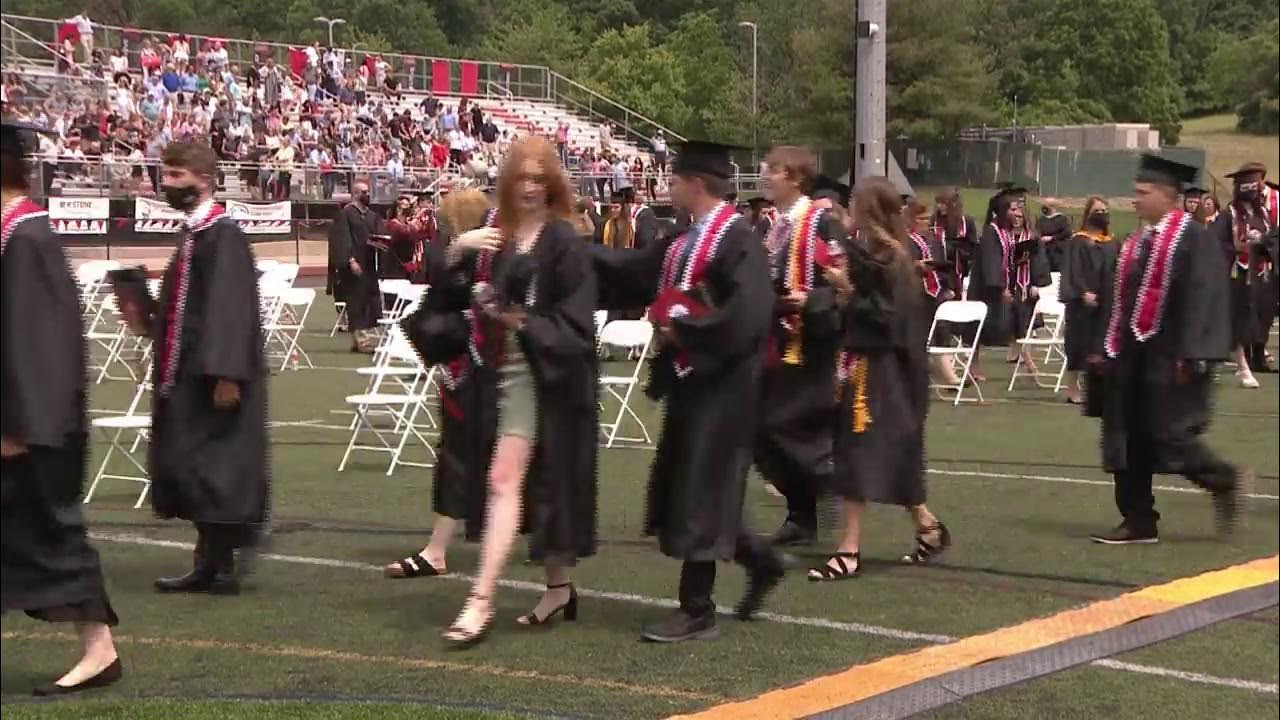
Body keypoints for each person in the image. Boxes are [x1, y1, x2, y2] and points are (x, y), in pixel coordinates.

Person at [589, 140, 784, 642]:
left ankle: (697, 608)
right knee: (700, 483)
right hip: (690, 381)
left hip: (725, 385)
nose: (668, 186)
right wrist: (570, 248)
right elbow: (634, 272)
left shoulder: (737, 240)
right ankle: (760, 560)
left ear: (696, 184)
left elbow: (748, 314)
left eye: (674, 180)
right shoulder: (682, 239)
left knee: (702, 485)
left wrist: (685, 330)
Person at [429, 137, 599, 646]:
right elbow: (447, 293)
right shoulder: (495, 236)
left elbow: (576, 326)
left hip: (546, 377)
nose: (529, 187)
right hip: (495, 374)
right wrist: (459, 249)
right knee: (526, 483)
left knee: (511, 480)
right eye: (521, 177)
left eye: (538, 178)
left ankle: (480, 599)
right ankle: (558, 589)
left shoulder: (563, 241)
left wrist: (515, 319)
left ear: (552, 184)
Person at [1, 120, 123, 696]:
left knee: (53, 536)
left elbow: (38, 342)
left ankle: (100, 651)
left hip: (31, 427)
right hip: (22, 420)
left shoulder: (27, 238)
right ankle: (99, 649)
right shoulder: (14, 233)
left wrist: (19, 426)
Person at [117, 141, 269, 593]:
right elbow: (186, 309)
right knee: (193, 465)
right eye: (164, 175)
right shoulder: (194, 235)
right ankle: (208, 560)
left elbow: (230, 308)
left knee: (217, 469)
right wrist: (143, 313)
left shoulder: (224, 235)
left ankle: (222, 565)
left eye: (176, 176)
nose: (167, 184)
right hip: (186, 374)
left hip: (213, 376)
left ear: (203, 179)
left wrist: (227, 374)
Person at [1090, 154, 1242, 545]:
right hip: (1130, 356)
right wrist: (1102, 347)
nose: (1135, 199)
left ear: (1167, 195)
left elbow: (1205, 297)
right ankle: (1138, 519)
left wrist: (1192, 353)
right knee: (1125, 437)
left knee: (1168, 437)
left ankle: (1221, 478)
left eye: (1144, 192)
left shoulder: (1195, 239)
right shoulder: (1136, 242)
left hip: (1170, 356)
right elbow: (1118, 298)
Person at [809, 178, 950, 581]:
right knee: (883, 452)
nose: (849, 207)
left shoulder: (893, 259)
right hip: (866, 364)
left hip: (883, 371)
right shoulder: (874, 253)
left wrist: (847, 291)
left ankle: (849, 549)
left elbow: (887, 321)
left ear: (868, 209)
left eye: (855, 202)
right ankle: (928, 527)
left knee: (858, 450)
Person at [394, 190, 499, 580]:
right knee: (460, 455)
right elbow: (440, 295)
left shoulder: (486, 251)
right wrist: (456, 252)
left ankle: (441, 549)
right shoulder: (465, 253)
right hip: (471, 367)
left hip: (486, 368)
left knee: (466, 456)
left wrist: (457, 252)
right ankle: (439, 548)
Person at [755, 146, 845, 547]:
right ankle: (800, 514)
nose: (765, 175)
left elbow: (844, 282)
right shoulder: (775, 224)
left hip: (813, 339)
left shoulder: (822, 221)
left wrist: (812, 302)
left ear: (793, 177)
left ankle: (828, 486)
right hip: (778, 335)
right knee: (763, 427)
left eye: (773, 170)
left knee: (793, 423)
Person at [1211, 162, 1277, 387]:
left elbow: (1272, 240)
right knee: (1236, 320)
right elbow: (1216, 245)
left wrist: (1263, 244)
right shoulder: (1228, 215)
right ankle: (1243, 367)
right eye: (1251, 186)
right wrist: (1237, 248)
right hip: (1234, 276)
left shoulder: (1263, 215)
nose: (1256, 192)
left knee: (1253, 322)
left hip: (1259, 276)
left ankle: (1241, 362)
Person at [972, 189, 1050, 372]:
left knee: (1017, 321)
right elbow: (992, 261)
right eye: (1013, 209)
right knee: (979, 328)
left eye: (1018, 209)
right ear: (1003, 210)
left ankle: (1028, 361)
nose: (1017, 213)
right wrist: (1000, 288)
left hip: (1007, 286)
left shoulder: (1006, 232)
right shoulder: (992, 232)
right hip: (987, 288)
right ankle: (973, 367)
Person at [1059, 196, 1117, 405]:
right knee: (1078, 345)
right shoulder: (1078, 241)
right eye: (1097, 211)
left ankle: (1096, 391)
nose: (1101, 214)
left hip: (1106, 301)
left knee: (1100, 346)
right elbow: (1072, 270)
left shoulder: (1111, 242)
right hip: (1081, 303)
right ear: (1088, 214)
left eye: (1104, 210)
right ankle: (1072, 388)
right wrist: (1083, 292)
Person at [905, 197, 961, 385]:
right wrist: (916, 266)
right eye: (921, 218)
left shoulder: (933, 240)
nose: (925, 222)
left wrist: (948, 287)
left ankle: (948, 374)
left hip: (937, 292)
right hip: (917, 293)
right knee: (926, 333)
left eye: (927, 218)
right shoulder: (905, 241)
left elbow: (942, 266)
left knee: (943, 330)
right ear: (912, 219)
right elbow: (902, 266)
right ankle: (947, 376)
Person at [330, 181, 386, 352]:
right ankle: (361, 340)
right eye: (363, 192)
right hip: (353, 266)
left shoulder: (372, 215)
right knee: (356, 302)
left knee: (369, 301)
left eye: (368, 191)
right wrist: (351, 260)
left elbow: (380, 235)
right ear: (354, 193)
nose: (367, 195)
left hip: (369, 264)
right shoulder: (345, 214)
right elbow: (342, 239)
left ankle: (360, 339)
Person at [1036, 197, 1073, 273]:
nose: (1044, 207)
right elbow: (1037, 232)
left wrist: (1052, 238)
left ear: (1052, 207)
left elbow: (1067, 232)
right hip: (1044, 251)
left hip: (1058, 252)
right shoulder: (1041, 220)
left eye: (1046, 205)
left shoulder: (1062, 219)